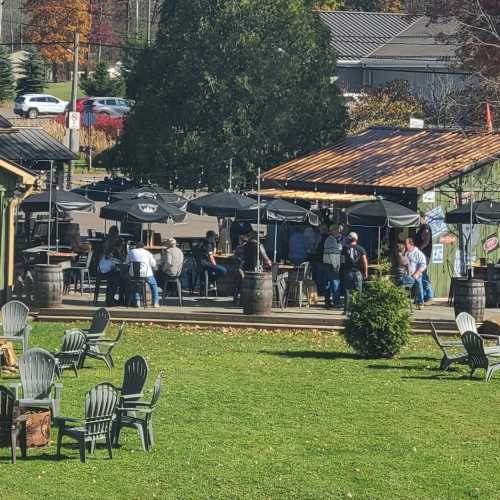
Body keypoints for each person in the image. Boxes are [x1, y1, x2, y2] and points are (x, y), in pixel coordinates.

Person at [340, 232, 368, 314]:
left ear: (349, 239)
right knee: (358, 291)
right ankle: (358, 310)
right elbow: (364, 261)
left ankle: (347, 310)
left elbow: (342, 260)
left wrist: (342, 270)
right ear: (356, 239)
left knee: (347, 291)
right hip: (358, 272)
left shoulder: (345, 249)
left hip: (348, 272)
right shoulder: (361, 249)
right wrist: (366, 271)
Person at [126, 241, 160, 307]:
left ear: (136, 246)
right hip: (146, 274)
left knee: (135, 285)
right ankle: (155, 302)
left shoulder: (131, 252)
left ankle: (137, 301)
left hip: (134, 275)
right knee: (153, 285)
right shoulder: (148, 253)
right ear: (143, 247)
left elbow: (127, 262)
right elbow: (154, 264)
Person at [414, 213, 434, 303]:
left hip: (424, 255)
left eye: (418, 219)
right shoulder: (422, 228)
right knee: (422, 274)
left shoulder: (426, 228)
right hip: (422, 255)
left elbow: (426, 241)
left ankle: (429, 295)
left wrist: (418, 249)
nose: (417, 221)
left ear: (423, 218)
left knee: (422, 274)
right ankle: (428, 295)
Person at [403, 237, 427, 309]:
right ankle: (402, 301)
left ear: (410, 244)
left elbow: (423, 264)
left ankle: (420, 302)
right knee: (402, 285)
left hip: (416, 274)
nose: (404, 245)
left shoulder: (418, 253)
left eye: (405, 244)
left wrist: (417, 273)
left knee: (419, 284)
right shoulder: (406, 253)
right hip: (407, 275)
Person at [323, 224, 343, 309]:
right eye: (338, 230)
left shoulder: (330, 240)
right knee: (335, 283)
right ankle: (336, 302)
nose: (339, 232)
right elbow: (333, 254)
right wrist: (336, 266)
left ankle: (327, 302)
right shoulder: (332, 240)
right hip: (332, 264)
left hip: (327, 263)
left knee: (327, 283)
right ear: (333, 231)